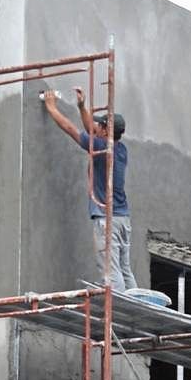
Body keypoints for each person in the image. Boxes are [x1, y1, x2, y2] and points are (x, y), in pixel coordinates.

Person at [43, 87, 136, 292]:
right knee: (124, 268)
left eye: (100, 125)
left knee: (110, 270)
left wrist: (51, 108)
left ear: (104, 131)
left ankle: (119, 307)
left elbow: (71, 129)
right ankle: (137, 300)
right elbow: (90, 128)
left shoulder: (102, 150)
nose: (96, 126)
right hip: (123, 219)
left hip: (107, 219)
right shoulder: (120, 149)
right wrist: (81, 106)